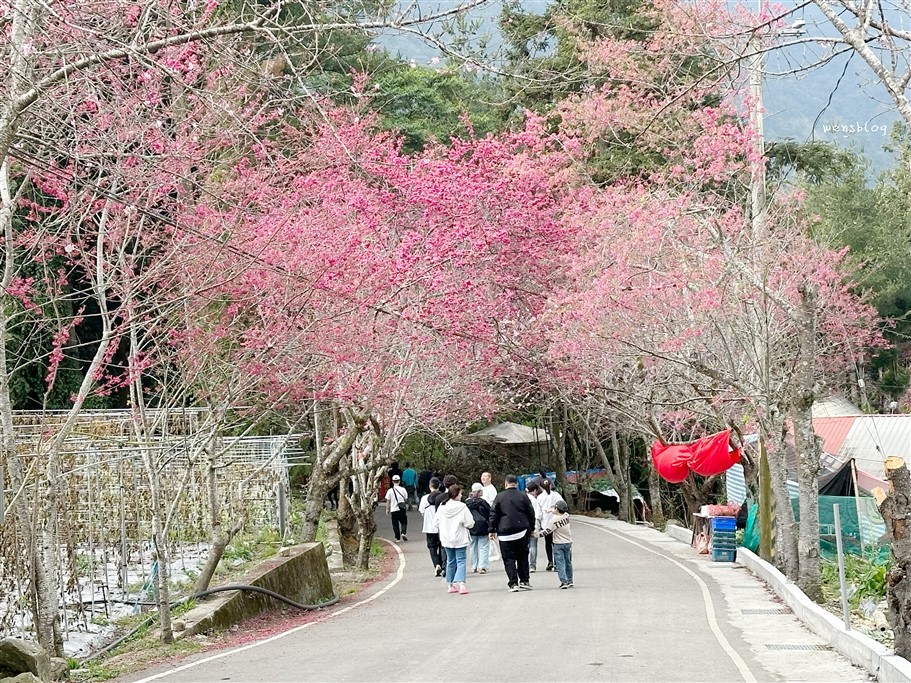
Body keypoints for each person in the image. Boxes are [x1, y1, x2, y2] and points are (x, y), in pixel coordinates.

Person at [488, 474, 535, 592]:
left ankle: (513, 583)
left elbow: (493, 514)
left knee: (508, 559)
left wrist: (491, 529)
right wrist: (531, 527)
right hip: (521, 530)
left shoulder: (499, 497)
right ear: (517, 484)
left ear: (505, 483)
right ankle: (524, 580)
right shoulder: (523, 496)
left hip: (504, 532)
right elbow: (530, 512)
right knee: (522, 556)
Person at [436, 484, 475, 594]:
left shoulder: (442, 507)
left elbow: (436, 523)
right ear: (457, 494)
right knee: (461, 560)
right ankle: (461, 584)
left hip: (446, 538)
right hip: (459, 538)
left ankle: (450, 584)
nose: (461, 495)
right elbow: (470, 523)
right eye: (461, 493)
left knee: (450, 560)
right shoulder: (462, 507)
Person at [537, 499, 573, 588]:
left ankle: (563, 582)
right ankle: (570, 580)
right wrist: (551, 510)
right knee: (568, 562)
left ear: (557, 509)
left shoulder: (554, 521)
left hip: (558, 543)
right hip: (568, 542)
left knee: (560, 563)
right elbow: (559, 511)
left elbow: (546, 532)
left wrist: (535, 535)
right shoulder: (566, 516)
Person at [418, 477, 445, 576]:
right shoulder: (443, 497)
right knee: (442, 546)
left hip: (429, 527)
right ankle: (443, 565)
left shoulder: (424, 498)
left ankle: (436, 564)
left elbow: (422, 512)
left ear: (430, 486)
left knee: (432, 547)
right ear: (439, 486)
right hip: (442, 527)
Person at [537, 478, 565, 571]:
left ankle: (550, 562)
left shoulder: (540, 497)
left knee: (548, 543)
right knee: (556, 543)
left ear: (541, 487)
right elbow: (562, 505)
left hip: (546, 523)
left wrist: (539, 523)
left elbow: (539, 512)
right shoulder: (556, 495)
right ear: (550, 485)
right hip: (556, 522)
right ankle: (557, 563)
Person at [466, 483, 491, 574]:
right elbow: (490, 514)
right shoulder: (483, 502)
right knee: (483, 546)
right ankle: (482, 566)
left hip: (471, 527)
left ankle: (474, 566)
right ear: (480, 491)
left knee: (473, 546)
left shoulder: (467, 503)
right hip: (483, 526)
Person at [525, 480, 543, 572]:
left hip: (523, 524)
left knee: (524, 546)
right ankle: (532, 565)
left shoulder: (522, 498)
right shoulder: (534, 500)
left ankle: (524, 565)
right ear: (534, 490)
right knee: (533, 545)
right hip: (534, 524)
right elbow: (539, 514)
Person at [385, 474, 409, 542]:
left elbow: (388, 501)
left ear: (392, 481)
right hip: (402, 508)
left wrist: (387, 509)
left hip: (393, 509)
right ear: (399, 481)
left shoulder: (390, 491)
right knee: (404, 522)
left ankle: (398, 538)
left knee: (395, 524)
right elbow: (406, 498)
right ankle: (403, 533)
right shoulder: (403, 489)